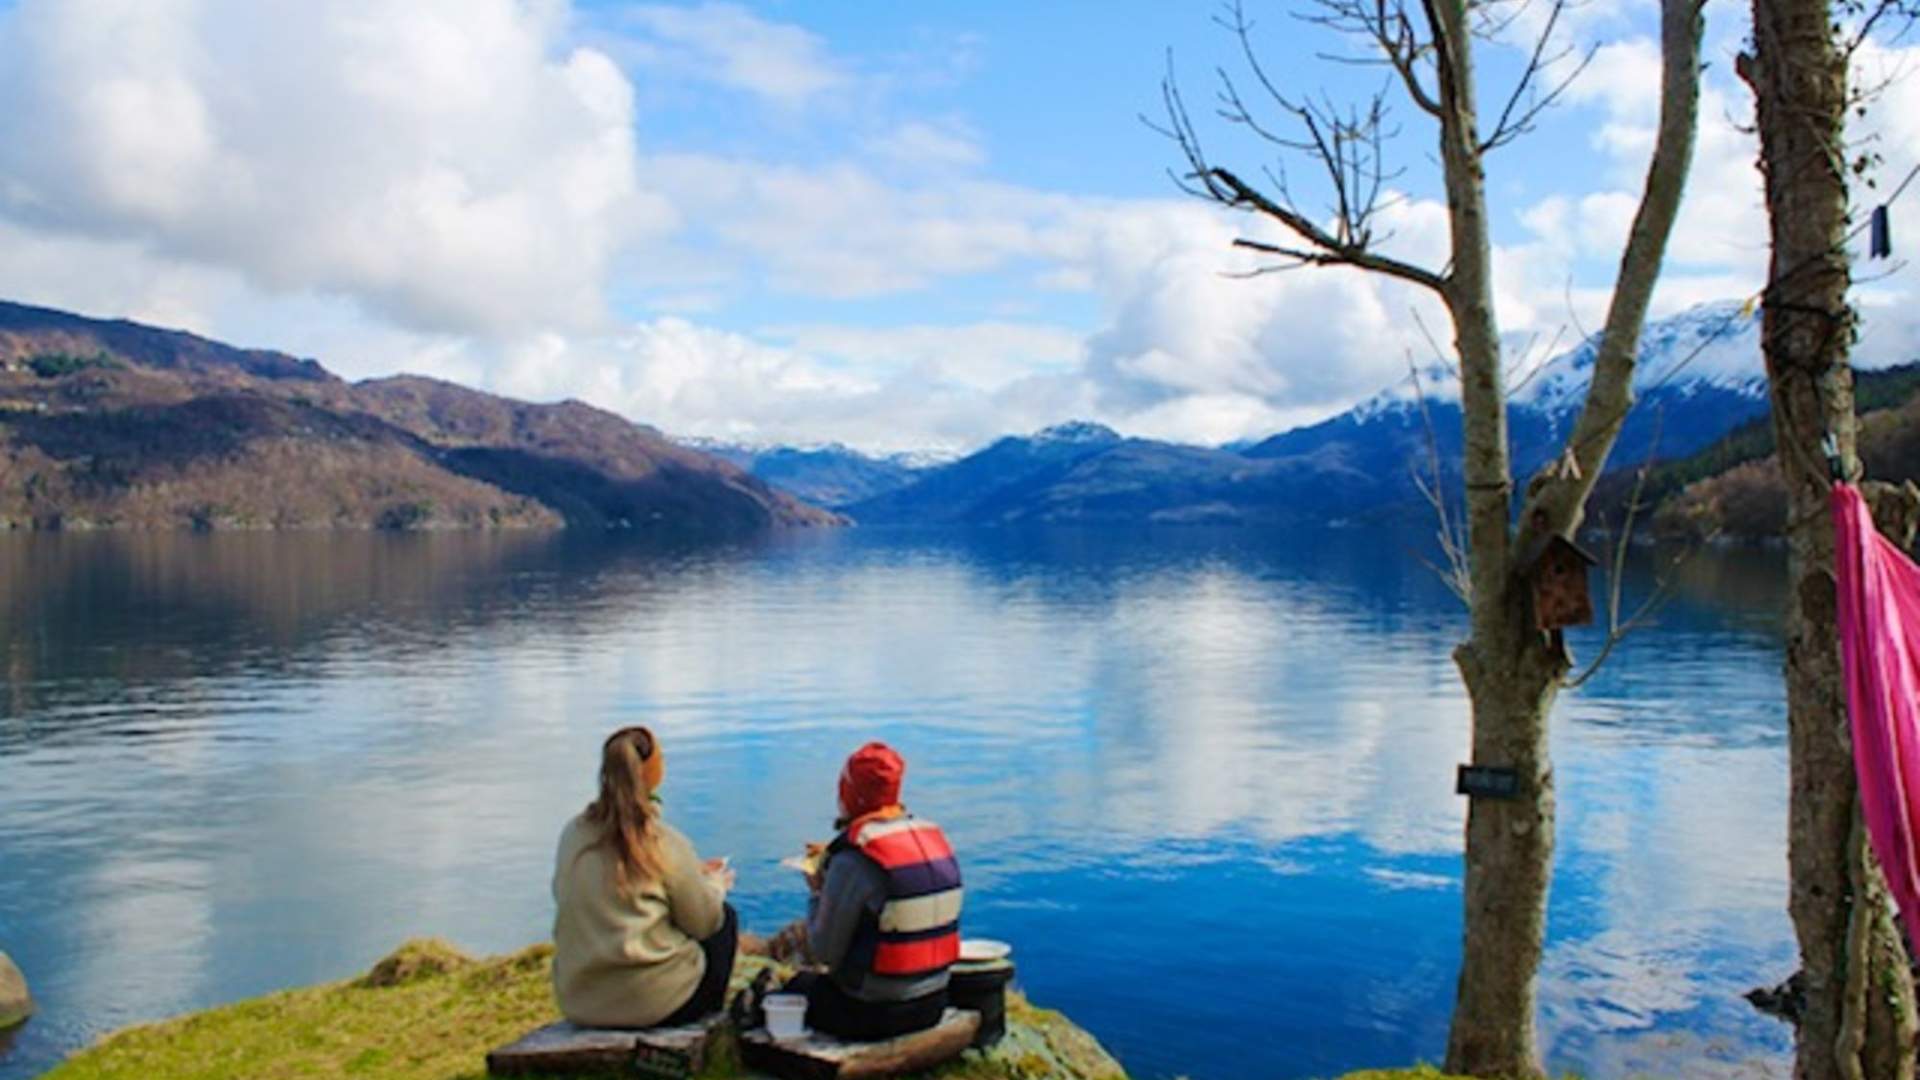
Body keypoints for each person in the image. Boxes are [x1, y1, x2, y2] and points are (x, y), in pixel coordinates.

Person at [551, 725, 737, 1029]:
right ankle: (708, 1022)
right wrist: (714, 885)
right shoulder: (663, 842)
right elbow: (704, 922)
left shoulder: (573, 834)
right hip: (657, 1006)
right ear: (653, 773)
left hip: (580, 1003)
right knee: (724, 920)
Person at [786, 741, 963, 1040]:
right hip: (935, 1001)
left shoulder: (854, 860)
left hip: (874, 1011)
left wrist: (818, 891)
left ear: (848, 792)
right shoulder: (933, 837)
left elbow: (823, 952)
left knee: (792, 991)